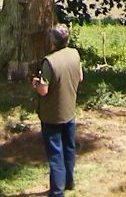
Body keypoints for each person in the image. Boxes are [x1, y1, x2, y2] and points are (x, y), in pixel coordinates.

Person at [31, 22, 84, 197]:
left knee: (55, 154)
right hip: (69, 111)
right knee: (69, 148)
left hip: (52, 115)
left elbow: (43, 91)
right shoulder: (74, 54)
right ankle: (69, 182)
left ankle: (57, 192)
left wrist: (35, 83)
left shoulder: (49, 62)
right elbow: (80, 77)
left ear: (53, 41)